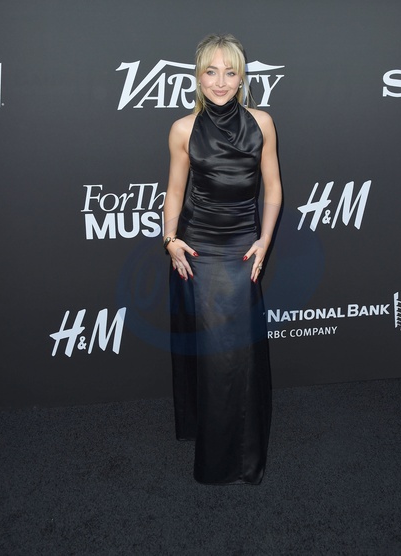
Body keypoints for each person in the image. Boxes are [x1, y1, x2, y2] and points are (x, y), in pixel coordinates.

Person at [163, 33, 282, 485]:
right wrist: (169, 239)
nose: (220, 81)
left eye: (230, 72)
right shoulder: (183, 129)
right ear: (198, 76)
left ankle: (240, 455)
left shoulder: (262, 122)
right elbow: (175, 191)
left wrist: (264, 240)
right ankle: (212, 448)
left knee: (238, 357)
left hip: (242, 247)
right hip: (198, 248)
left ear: (241, 77)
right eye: (211, 71)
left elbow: (273, 188)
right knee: (212, 356)